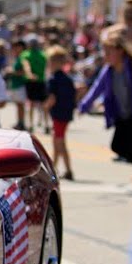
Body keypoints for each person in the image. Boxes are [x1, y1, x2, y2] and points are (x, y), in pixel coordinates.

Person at [78, 31, 132, 164]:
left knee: (127, 146)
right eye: (105, 52)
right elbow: (96, 89)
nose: (106, 56)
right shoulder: (108, 71)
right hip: (121, 114)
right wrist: (84, 105)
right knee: (118, 145)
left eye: (109, 52)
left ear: (120, 51)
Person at [44, 47, 77, 180]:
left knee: (59, 141)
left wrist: (45, 107)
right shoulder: (68, 79)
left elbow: (52, 98)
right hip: (66, 113)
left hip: (58, 113)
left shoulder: (53, 79)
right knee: (58, 140)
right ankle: (55, 167)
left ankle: (65, 170)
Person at [20, 37, 50, 133]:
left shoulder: (26, 54)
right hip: (41, 81)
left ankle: (31, 124)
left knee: (32, 103)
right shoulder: (43, 54)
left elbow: (26, 65)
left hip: (32, 81)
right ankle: (46, 124)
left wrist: (29, 74)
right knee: (43, 103)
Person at [3, 39, 29, 130]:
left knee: (20, 105)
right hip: (15, 84)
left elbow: (24, 72)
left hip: (20, 84)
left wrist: (12, 72)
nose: (14, 49)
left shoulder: (23, 57)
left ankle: (21, 123)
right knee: (18, 105)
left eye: (17, 46)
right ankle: (19, 122)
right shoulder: (17, 57)